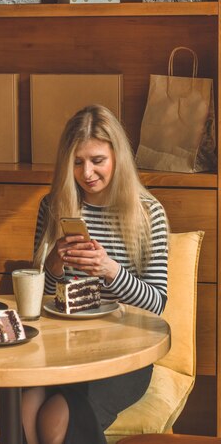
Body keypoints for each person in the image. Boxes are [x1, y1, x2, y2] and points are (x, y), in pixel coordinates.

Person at [23, 104, 169, 444]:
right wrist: (54, 267)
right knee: (24, 405)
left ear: (117, 157)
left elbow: (157, 303)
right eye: (77, 161)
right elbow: (38, 294)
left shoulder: (148, 214)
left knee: (54, 416)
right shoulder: (54, 205)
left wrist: (111, 272)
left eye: (97, 160)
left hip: (125, 352)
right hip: (62, 346)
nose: (86, 172)